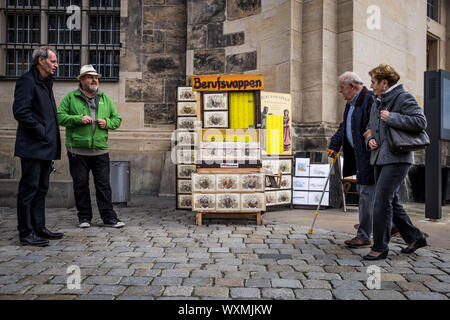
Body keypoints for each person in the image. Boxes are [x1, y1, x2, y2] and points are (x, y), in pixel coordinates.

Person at [363, 64, 428, 260]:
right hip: (379, 158)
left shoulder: (403, 98)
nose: (371, 85)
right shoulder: (377, 101)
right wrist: (369, 139)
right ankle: (414, 237)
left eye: (373, 81)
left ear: (384, 82)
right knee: (391, 201)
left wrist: (393, 117)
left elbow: (420, 122)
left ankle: (380, 247)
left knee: (381, 201)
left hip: (398, 157)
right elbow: (369, 128)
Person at [57, 65, 125, 229]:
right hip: (77, 151)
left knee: (103, 185)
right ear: (81, 80)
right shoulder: (70, 98)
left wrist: (107, 122)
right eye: (89, 77)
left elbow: (117, 120)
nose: (94, 80)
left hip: (100, 150)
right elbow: (59, 117)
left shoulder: (105, 98)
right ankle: (84, 217)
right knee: (80, 184)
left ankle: (109, 218)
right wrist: (78, 119)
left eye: (96, 77)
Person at [12, 46, 64, 246]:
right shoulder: (27, 81)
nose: (56, 65)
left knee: (41, 189)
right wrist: (41, 131)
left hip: (46, 146)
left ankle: (39, 228)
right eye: (52, 61)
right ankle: (26, 233)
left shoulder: (46, 82)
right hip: (33, 146)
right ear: (40, 61)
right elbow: (21, 112)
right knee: (29, 190)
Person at [327, 72, 376, 248]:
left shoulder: (369, 99)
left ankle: (364, 235)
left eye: (342, 88)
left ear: (353, 87)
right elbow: (344, 127)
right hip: (358, 158)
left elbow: (376, 126)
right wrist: (334, 145)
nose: (341, 92)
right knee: (374, 196)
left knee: (366, 195)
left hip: (370, 157)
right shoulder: (351, 104)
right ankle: (400, 229)